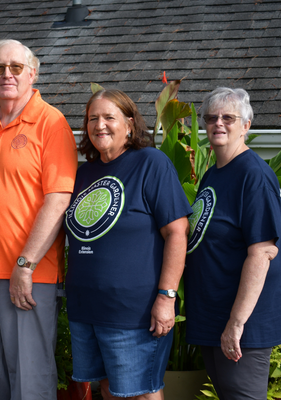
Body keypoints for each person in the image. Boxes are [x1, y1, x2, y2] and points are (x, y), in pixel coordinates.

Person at [0, 39, 78, 399]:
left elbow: (58, 200)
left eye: (16, 67)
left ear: (33, 73)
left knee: (29, 375)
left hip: (28, 272)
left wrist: (25, 264)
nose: (7, 74)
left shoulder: (51, 122)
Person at [63, 89, 192, 400]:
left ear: (130, 124)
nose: (100, 125)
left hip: (133, 309)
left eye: (109, 117)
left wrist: (166, 296)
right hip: (86, 307)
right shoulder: (84, 173)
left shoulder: (151, 163)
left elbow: (177, 232)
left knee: (142, 392)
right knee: (107, 388)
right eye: (93, 118)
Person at [185, 87, 281, 400]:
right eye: (211, 117)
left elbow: (261, 253)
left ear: (245, 125)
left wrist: (236, 322)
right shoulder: (213, 174)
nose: (218, 123)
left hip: (243, 320)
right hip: (213, 313)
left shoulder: (253, 175)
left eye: (228, 118)